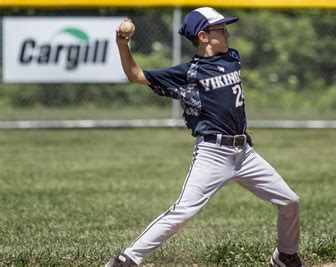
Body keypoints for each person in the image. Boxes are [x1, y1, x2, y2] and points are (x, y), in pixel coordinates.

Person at [107, 7, 302, 267]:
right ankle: (127, 259)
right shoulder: (188, 74)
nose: (228, 33)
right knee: (183, 211)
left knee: (290, 201)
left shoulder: (232, 57)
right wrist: (123, 45)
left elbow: (229, 101)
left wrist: (240, 128)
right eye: (221, 29)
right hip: (213, 154)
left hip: (244, 153)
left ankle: (285, 256)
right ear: (203, 36)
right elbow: (136, 75)